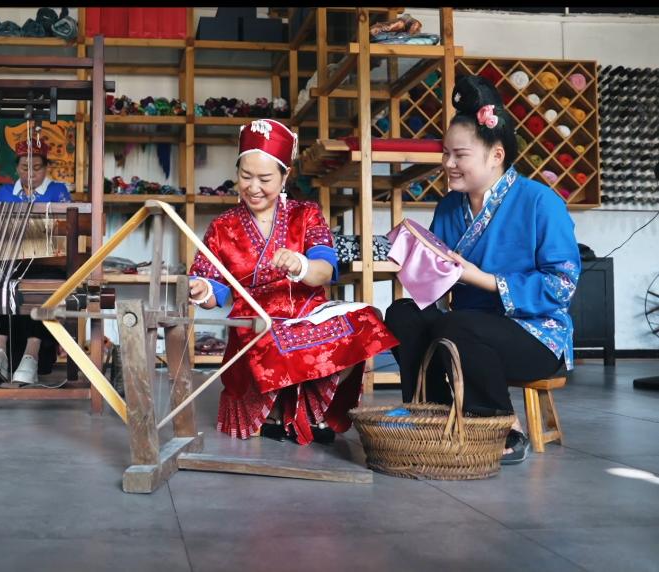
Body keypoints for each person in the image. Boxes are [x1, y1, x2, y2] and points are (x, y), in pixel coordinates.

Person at [383, 74, 581, 465]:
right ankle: (433, 412)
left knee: (458, 325)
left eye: (459, 155)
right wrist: (414, 260)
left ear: (496, 155)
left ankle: (501, 425)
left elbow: (561, 285)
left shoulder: (540, 202)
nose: (448, 164)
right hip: (465, 329)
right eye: (445, 154)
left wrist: (484, 280)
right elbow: (441, 281)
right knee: (403, 314)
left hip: (535, 334)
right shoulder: (449, 207)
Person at [187, 118, 399, 445]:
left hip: (308, 313)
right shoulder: (222, 227)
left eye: (264, 179)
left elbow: (324, 270)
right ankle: (275, 411)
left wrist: (301, 265)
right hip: (256, 321)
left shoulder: (306, 214)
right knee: (270, 340)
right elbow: (215, 290)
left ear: (285, 176)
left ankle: (311, 410)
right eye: (245, 176)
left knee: (367, 321)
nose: (253, 187)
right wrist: (203, 292)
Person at [0, 132, 71, 385]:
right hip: (10, 264)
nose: (31, 174)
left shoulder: (58, 191)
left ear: (46, 167)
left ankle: (31, 356)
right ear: (17, 167)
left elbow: (67, 230)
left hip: (47, 264)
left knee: (41, 288)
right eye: (25, 167)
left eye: (37, 168)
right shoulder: (5, 192)